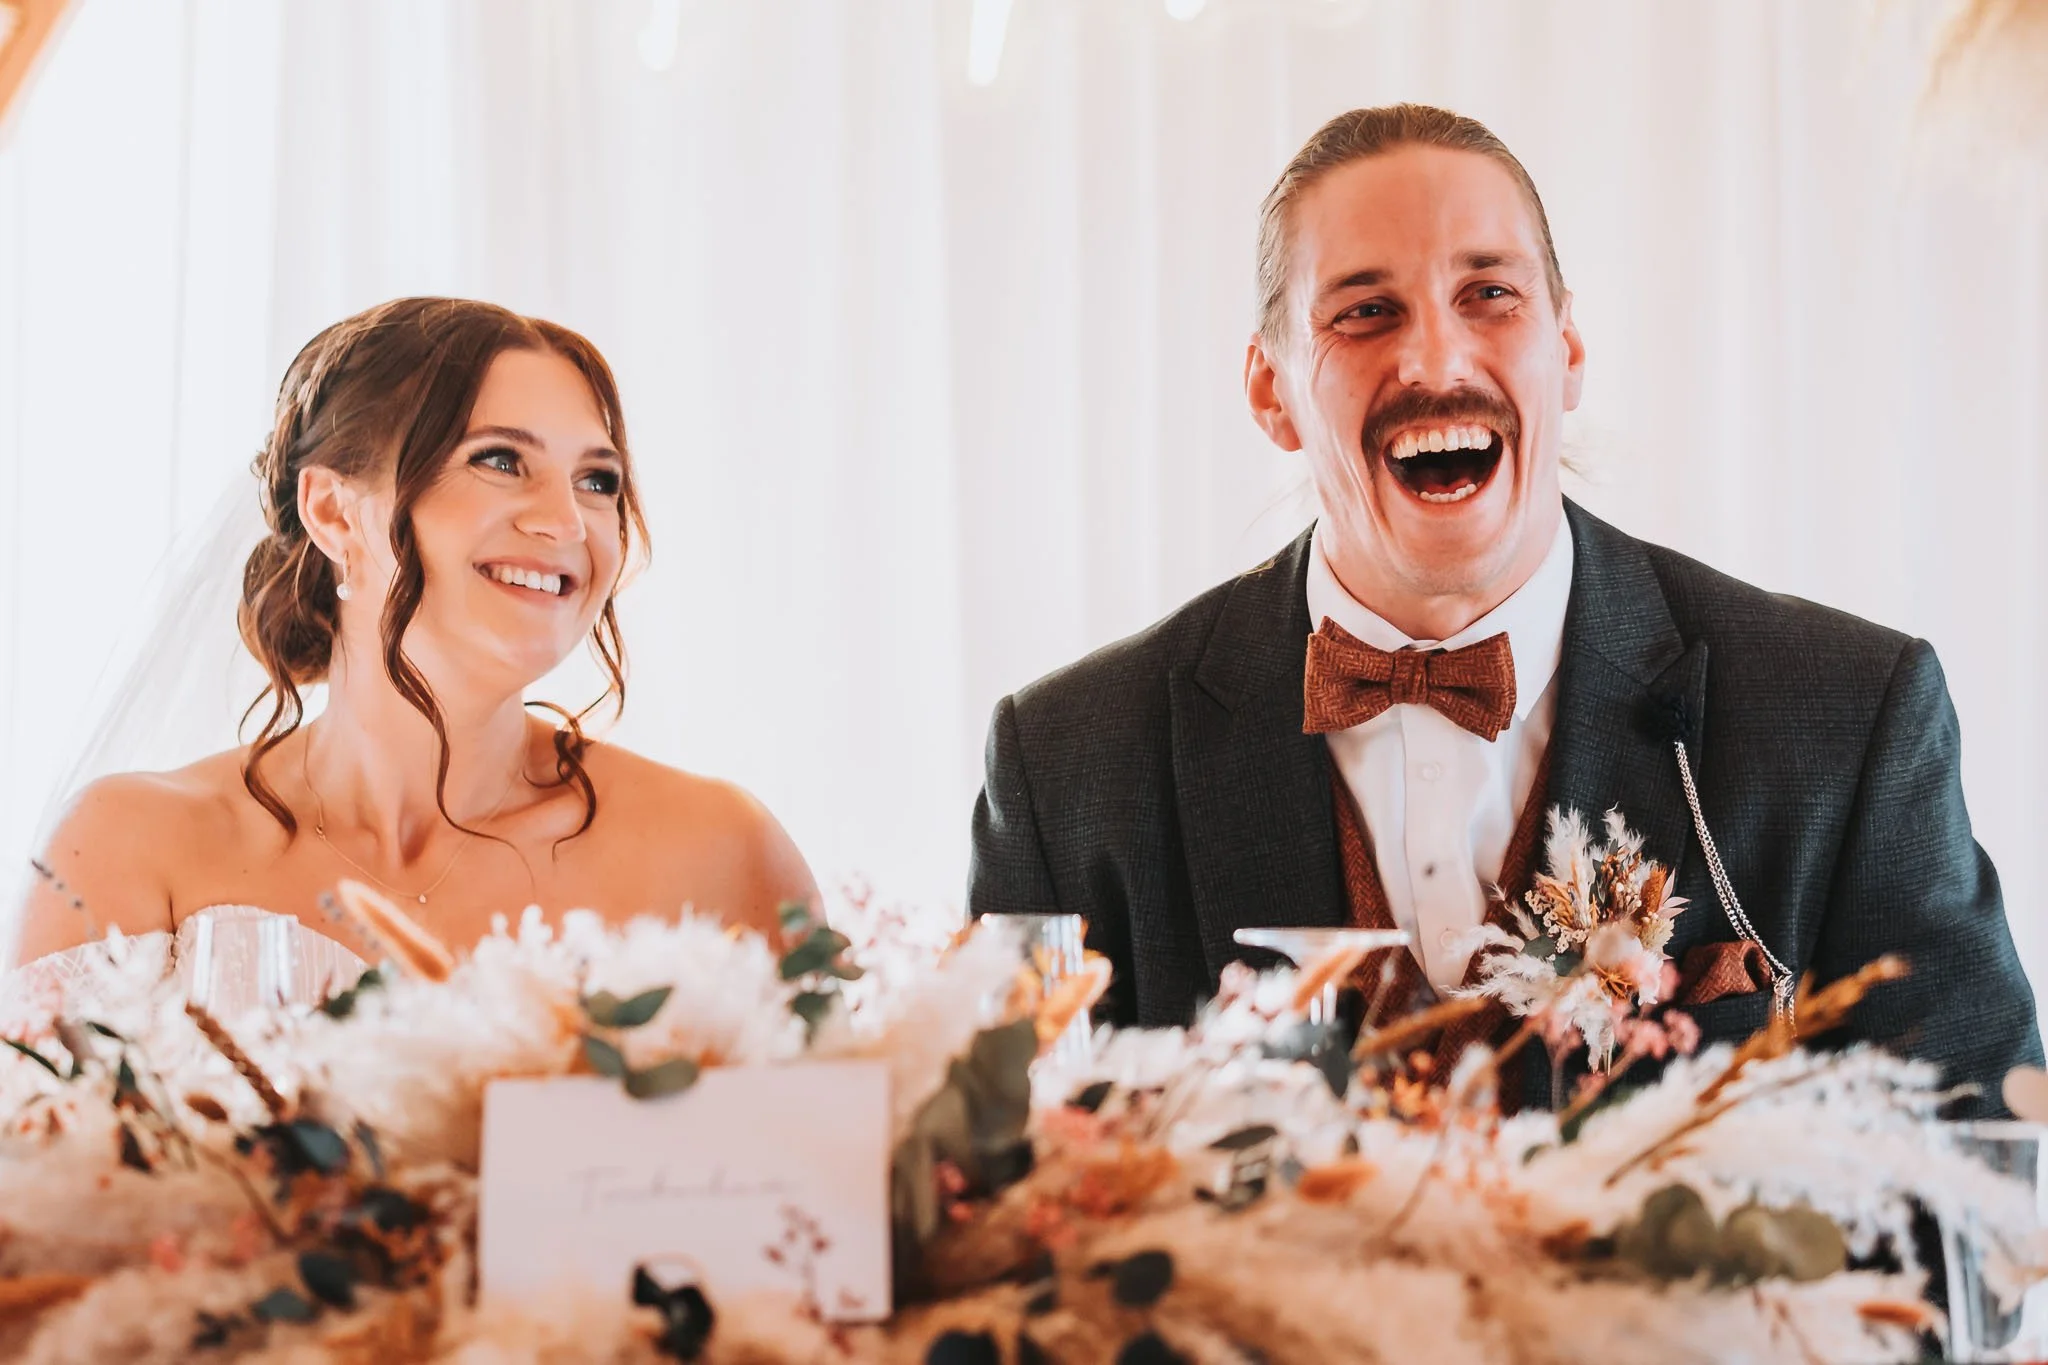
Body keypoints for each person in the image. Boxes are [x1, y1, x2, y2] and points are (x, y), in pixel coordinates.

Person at [967, 104, 2041, 1114]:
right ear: (1270, 392)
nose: (1434, 360)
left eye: (1488, 294)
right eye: (1364, 312)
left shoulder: (1846, 717)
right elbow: (997, 1230)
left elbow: (1985, 1188)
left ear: (1565, 351)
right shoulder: (1066, 767)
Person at [16, 297, 817, 981]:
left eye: (597, 480)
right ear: (332, 512)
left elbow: (833, 1153)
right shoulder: (130, 848)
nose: (568, 521)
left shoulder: (721, 853)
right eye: (501, 460)